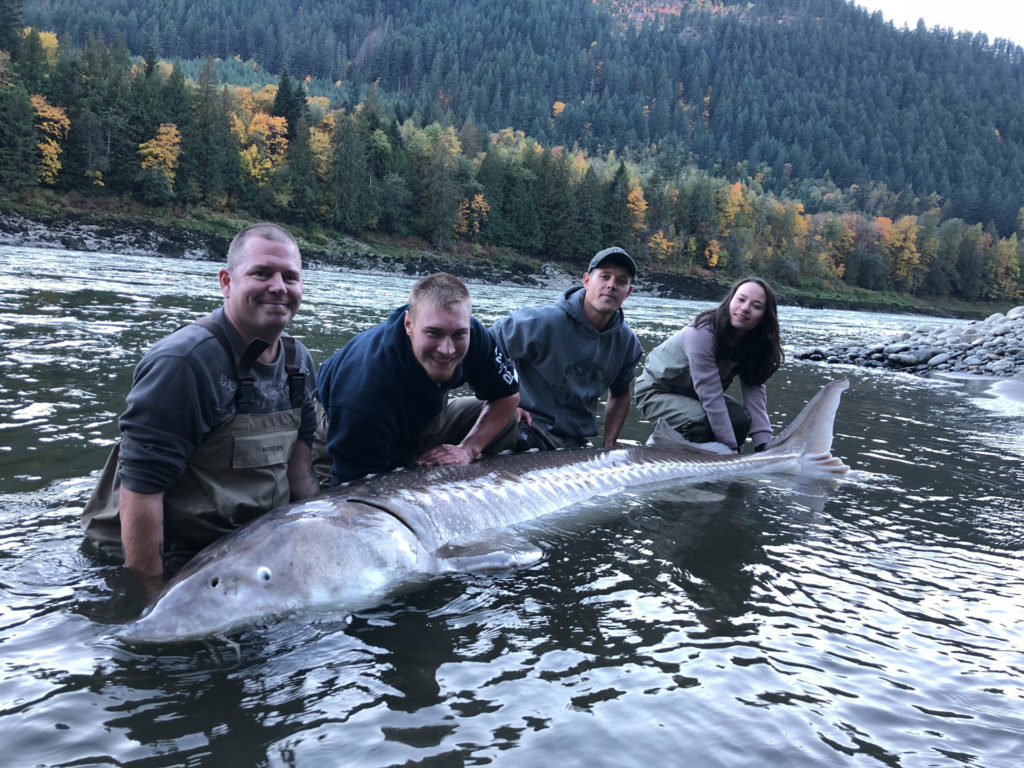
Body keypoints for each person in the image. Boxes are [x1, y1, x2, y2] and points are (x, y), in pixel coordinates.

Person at [81, 223, 320, 586]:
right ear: (226, 282)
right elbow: (142, 491)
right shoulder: (184, 363)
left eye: (290, 277)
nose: (278, 287)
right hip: (160, 556)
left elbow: (299, 472)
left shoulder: (298, 362)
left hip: (243, 550)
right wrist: (151, 592)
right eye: (261, 273)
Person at [317, 272, 519, 485]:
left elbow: (507, 397)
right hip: (343, 428)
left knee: (507, 420)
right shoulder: (364, 390)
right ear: (408, 325)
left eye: (459, 334)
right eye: (433, 333)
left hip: (423, 412)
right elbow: (356, 493)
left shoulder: (476, 337)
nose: (447, 350)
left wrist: (468, 449)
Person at [490, 246, 643, 450]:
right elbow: (486, 347)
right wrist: (506, 403)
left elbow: (620, 394)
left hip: (575, 441)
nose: (611, 285)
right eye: (604, 277)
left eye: (621, 281)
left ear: (628, 292)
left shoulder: (628, 343)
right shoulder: (542, 321)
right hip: (527, 426)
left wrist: (609, 446)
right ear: (587, 280)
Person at [634, 276, 783, 453]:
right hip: (655, 392)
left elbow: (755, 400)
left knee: (740, 419)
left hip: (694, 398)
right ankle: (661, 448)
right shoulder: (701, 333)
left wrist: (765, 448)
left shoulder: (753, 345)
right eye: (741, 300)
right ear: (730, 300)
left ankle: (710, 460)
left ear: (764, 317)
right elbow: (711, 395)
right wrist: (731, 450)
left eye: (756, 306)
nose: (745, 309)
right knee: (701, 422)